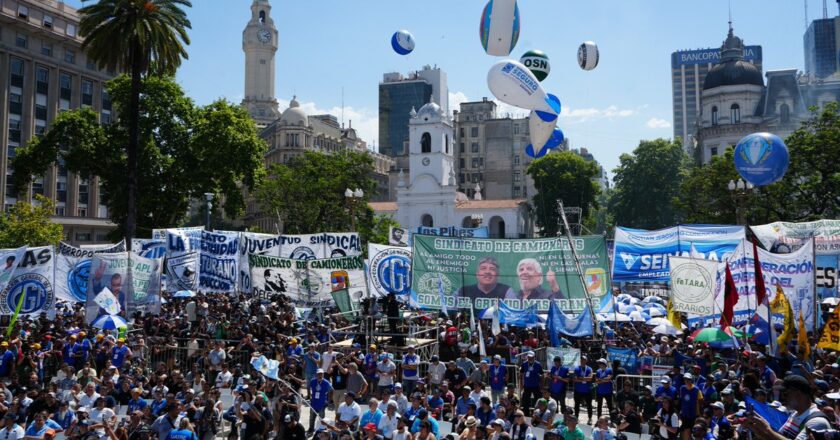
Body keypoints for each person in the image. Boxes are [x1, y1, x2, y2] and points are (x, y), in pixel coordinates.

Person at [743, 374, 832, 440]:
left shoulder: (817, 422)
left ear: (798, 393)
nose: (782, 397)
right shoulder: (795, 414)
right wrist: (758, 430)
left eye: (785, 394)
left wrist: (767, 430)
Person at [308, 369, 333, 434]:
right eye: (319, 374)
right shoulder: (313, 381)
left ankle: (321, 429)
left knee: (321, 418)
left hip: (322, 403)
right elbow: (308, 387)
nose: (320, 375)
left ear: (323, 375)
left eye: (321, 374)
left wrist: (329, 400)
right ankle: (311, 429)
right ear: (316, 375)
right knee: (311, 417)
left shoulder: (326, 382)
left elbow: (331, 390)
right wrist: (309, 396)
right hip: (313, 402)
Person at [678, 373, 702, 439]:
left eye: (688, 379)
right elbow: (681, 400)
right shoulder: (682, 388)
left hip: (694, 414)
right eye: (685, 379)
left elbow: (700, 401)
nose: (686, 381)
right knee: (685, 430)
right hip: (685, 414)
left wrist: (699, 413)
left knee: (693, 431)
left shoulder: (697, 390)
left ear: (691, 380)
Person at [572, 356, 593, 424]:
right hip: (578, 391)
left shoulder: (589, 368)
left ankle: (590, 418)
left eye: (584, 360)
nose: (583, 361)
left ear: (586, 360)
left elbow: (590, 378)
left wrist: (580, 378)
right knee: (577, 405)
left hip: (587, 391)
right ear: (580, 361)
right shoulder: (577, 368)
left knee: (589, 405)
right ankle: (576, 418)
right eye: (582, 360)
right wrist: (585, 379)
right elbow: (575, 379)